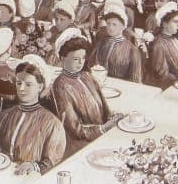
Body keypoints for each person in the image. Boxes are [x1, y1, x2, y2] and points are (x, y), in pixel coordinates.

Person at [49, 29, 125, 158]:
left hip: (101, 135)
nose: (80, 63)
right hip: (80, 145)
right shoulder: (60, 85)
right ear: (62, 58)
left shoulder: (87, 76)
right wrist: (103, 129)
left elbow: (104, 108)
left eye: (83, 58)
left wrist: (113, 117)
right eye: (75, 59)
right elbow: (74, 129)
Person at [0, 58, 67, 175]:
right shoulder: (4, 116)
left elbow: (53, 162)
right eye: (19, 83)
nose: (21, 89)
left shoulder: (52, 124)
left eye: (28, 84)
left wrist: (35, 165)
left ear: (40, 87)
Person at [89, 3, 143, 83]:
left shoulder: (131, 49)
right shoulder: (101, 43)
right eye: (108, 24)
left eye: (114, 24)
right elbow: (91, 63)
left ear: (122, 26)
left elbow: (135, 78)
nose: (110, 27)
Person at [146, 3, 178, 88]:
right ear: (165, 24)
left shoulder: (172, 39)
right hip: (167, 87)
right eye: (175, 22)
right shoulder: (159, 45)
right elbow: (162, 75)